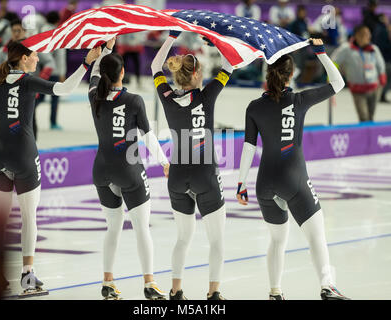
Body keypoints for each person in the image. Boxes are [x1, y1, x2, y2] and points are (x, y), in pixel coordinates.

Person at [0, 40, 101, 297]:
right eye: (35, 55)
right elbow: (65, 89)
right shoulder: (27, 81)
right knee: (29, 218)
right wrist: (86, 62)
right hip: (23, 156)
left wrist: (1, 146)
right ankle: (27, 275)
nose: (38, 59)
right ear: (24, 58)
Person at [236, 39, 350, 300]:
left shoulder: (254, 107)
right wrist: (320, 52)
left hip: (264, 183)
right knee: (316, 234)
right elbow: (338, 83)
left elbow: (248, 147)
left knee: (277, 240)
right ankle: (327, 285)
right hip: (294, 179)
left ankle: (275, 292)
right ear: (292, 74)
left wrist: (241, 184)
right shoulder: (299, 101)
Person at [151, 31, 233, 300]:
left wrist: (172, 37)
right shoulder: (207, 95)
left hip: (176, 177)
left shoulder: (166, 95)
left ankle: (176, 291)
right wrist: (217, 40)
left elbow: (154, 66)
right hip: (205, 175)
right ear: (197, 75)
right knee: (218, 240)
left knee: (183, 239)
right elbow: (229, 65)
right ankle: (213, 293)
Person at [89, 37, 169, 300]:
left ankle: (107, 282)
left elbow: (93, 74)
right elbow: (147, 136)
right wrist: (164, 162)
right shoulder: (134, 100)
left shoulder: (94, 96)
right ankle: (149, 282)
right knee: (141, 228)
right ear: (123, 73)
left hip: (101, 170)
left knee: (113, 227)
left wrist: (104, 52)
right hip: (129, 170)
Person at [332, 25, 387, 122]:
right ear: (357, 36)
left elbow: (380, 63)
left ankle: (370, 135)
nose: (368, 37)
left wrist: (382, 74)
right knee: (364, 117)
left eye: (368, 34)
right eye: (364, 34)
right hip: (358, 90)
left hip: (374, 88)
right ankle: (365, 134)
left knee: (371, 116)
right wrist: (332, 75)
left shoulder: (373, 48)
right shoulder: (346, 49)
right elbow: (334, 61)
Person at [35, 11, 68, 130]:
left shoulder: (40, 30)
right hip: (53, 71)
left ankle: (27, 114)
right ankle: (53, 122)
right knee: (55, 97)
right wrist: (62, 73)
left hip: (41, 69)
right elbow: (60, 56)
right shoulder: (57, 33)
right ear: (57, 21)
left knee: (40, 96)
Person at [373, 14, 391, 103]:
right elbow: (382, 46)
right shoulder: (383, 30)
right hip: (385, 59)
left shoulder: (378, 28)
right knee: (386, 78)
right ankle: (381, 95)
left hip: (382, 58)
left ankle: (381, 94)